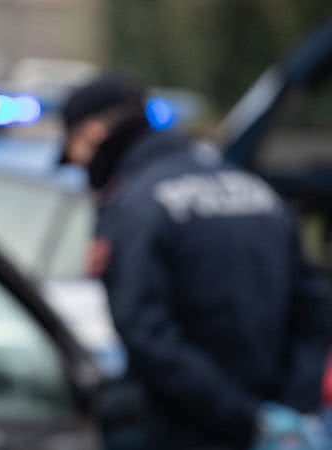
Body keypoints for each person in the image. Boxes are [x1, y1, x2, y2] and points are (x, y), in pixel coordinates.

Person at [60, 73, 331, 449]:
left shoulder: (135, 204)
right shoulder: (257, 191)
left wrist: (243, 417)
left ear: (92, 133)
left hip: (184, 429)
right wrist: (291, 410)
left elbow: (145, 333)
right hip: (276, 426)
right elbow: (314, 312)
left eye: (75, 151)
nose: (79, 166)